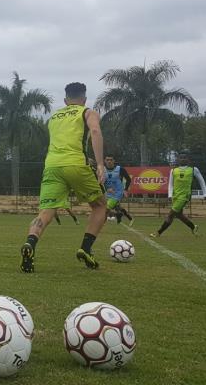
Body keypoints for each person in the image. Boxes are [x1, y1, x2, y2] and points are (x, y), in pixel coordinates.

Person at [20, 82, 107, 273]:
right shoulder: (87, 112)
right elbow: (94, 131)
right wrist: (100, 164)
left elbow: (65, 142)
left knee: (46, 210)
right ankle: (85, 248)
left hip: (52, 166)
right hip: (76, 164)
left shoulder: (54, 118)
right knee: (100, 205)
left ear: (65, 100)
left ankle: (30, 243)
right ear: (84, 99)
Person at [150, 154, 206, 238]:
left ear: (188, 159)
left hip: (185, 196)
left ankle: (159, 232)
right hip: (175, 196)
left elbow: (201, 181)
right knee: (178, 215)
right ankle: (193, 227)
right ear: (178, 159)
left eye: (185, 157)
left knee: (171, 215)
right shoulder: (173, 170)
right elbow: (170, 184)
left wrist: (205, 193)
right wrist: (170, 195)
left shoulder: (193, 169)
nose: (183, 159)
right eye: (181, 158)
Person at [103, 154, 133, 224]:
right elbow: (100, 181)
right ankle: (120, 215)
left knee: (105, 209)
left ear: (114, 161)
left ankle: (116, 215)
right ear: (105, 161)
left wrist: (125, 190)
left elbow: (128, 179)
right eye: (107, 160)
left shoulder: (120, 169)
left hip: (117, 193)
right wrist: (106, 189)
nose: (109, 161)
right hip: (107, 193)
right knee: (116, 208)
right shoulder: (102, 170)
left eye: (111, 160)